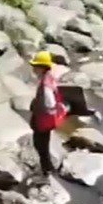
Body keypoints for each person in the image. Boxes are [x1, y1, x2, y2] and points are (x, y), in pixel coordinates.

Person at [28, 51, 66, 181]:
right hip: (47, 121)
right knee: (44, 144)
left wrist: (41, 107)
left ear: (42, 68)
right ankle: (48, 169)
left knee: (40, 145)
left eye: (35, 66)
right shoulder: (50, 78)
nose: (33, 68)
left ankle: (46, 172)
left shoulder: (45, 84)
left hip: (42, 120)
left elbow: (49, 103)